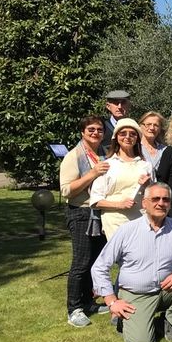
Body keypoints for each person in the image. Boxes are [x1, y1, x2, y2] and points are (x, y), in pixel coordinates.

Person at [91, 182, 172, 342]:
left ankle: (170, 321)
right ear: (144, 203)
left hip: (166, 290)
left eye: (166, 199)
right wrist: (111, 302)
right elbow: (100, 266)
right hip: (136, 294)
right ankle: (125, 319)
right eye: (155, 199)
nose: (161, 203)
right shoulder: (127, 230)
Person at [59, 115, 110, 327]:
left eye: (99, 129)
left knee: (94, 261)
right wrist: (92, 174)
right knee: (81, 262)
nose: (95, 133)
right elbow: (66, 190)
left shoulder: (104, 153)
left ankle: (89, 302)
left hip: (99, 212)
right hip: (81, 213)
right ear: (82, 132)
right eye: (91, 129)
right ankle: (74, 309)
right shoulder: (74, 156)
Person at [90, 118, 153, 240]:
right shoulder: (107, 165)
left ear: (137, 138)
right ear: (116, 137)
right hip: (114, 221)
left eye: (132, 134)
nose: (128, 137)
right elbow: (95, 200)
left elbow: (153, 196)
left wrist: (147, 185)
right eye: (123, 133)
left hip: (141, 219)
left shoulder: (146, 166)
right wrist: (119, 205)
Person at [138, 111, 166, 176]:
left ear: (160, 129)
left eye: (156, 125)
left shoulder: (165, 150)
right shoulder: (134, 148)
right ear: (141, 126)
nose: (152, 128)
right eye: (148, 124)